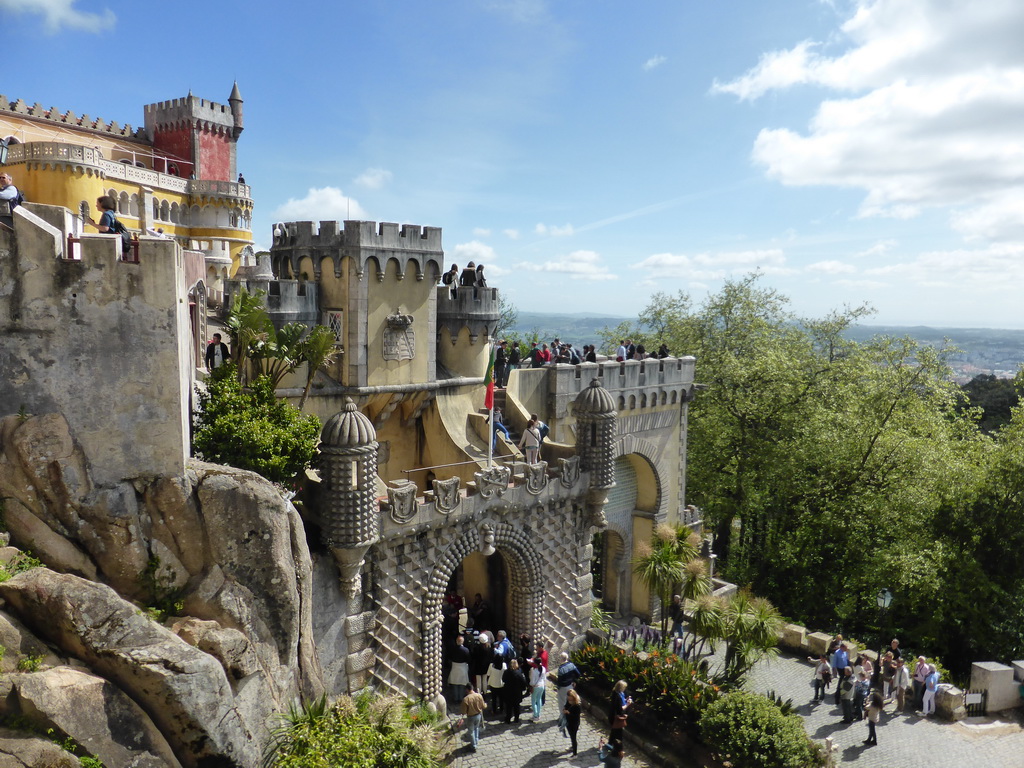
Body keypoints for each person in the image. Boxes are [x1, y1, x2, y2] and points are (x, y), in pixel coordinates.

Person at [460, 682, 487, 752]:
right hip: (478, 715)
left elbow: (463, 712)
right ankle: (476, 741)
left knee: (471, 731)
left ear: (467, 690)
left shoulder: (466, 699)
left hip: (471, 717)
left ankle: (473, 745)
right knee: (476, 728)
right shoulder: (479, 696)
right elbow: (483, 706)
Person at [449, 634, 471, 707]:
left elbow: (450, 657)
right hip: (462, 667)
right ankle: (461, 698)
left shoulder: (452, 649)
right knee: (462, 683)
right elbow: (468, 659)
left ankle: (456, 698)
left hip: (455, 667)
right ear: (462, 642)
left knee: (455, 683)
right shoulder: (466, 650)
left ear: (456, 641)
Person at [502, 658, 527, 723]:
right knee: (516, 707)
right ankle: (516, 719)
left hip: (508, 692)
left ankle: (508, 719)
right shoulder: (519, 673)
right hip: (517, 692)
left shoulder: (506, 672)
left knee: (508, 707)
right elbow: (523, 682)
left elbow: (503, 679)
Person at [470, 632, 492, 696]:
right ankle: (484, 692)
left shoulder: (476, 648)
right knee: (485, 681)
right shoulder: (488, 648)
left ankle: (479, 693)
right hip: (486, 666)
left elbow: (473, 656)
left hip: (478, 666)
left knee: (478, 681)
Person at [486, 650, 507, 718]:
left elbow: (488, 674)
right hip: (501, 684)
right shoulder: (504, 665)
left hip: (493, 684)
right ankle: (501, 709)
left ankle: (494, 710)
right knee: (501, 698)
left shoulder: (491, 665)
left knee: (494, 698)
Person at [563, 688, 582, 756]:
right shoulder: (568, 701)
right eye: (568, 698)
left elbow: (576, 716)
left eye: (570, 698)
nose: (569, 699)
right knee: (571, 736)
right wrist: (565, 709)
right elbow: (566, 705)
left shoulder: (577, 705)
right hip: (568, 722)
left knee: (573, 738)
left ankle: (575, 754)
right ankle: (572, 747)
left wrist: (568, 713)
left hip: (574, 724)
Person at [529, 653, 547, 720]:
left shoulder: (534, 671)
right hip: (542, 686)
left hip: (536, 686)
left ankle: (535, 715)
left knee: (533, 701)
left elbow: (532, 681)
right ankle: (539, 714)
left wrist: (530, 686)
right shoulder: (543, 669)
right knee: (539, 699)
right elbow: (544, 678)